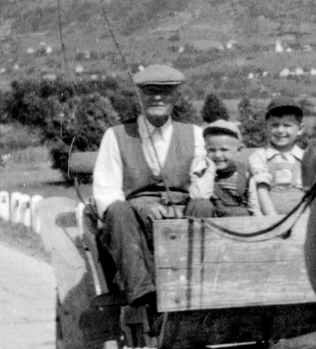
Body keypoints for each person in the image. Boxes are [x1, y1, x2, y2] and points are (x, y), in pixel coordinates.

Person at [91, 64, 205, 307]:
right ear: (139, 95)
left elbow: (201, 180)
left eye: (165, 91)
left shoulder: (194, 134)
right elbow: (106, 193)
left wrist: (183, 205)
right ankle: (142, 292)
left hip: (182, 212)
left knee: (203, 205)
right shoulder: (116, 136)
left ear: (176, 96)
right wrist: (140, 209)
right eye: (149, 91)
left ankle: (199, 287)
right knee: (117, 212)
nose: (157, 97)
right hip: (133, 217)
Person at [249, 96, 307, 217]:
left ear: (300, 129)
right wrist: (273, 220)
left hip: (301, 215)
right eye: (274, 125)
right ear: (266, 127)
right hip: (269, 216)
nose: (280, 130)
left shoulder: (305, 157)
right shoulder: (260, 156)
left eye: (287, 125)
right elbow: (261, 191)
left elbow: (310, 192)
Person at [186, 119, 254, 217]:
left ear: (239, 150)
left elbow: (253, 205)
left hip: (238, 225)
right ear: (205, 150)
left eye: (224, 149)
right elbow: (198, 196)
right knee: (200, 204)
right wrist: (210, 171)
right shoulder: (201, 176)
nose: (217, 155)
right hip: (208, 224)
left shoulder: (245, 175)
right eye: (212, 150)